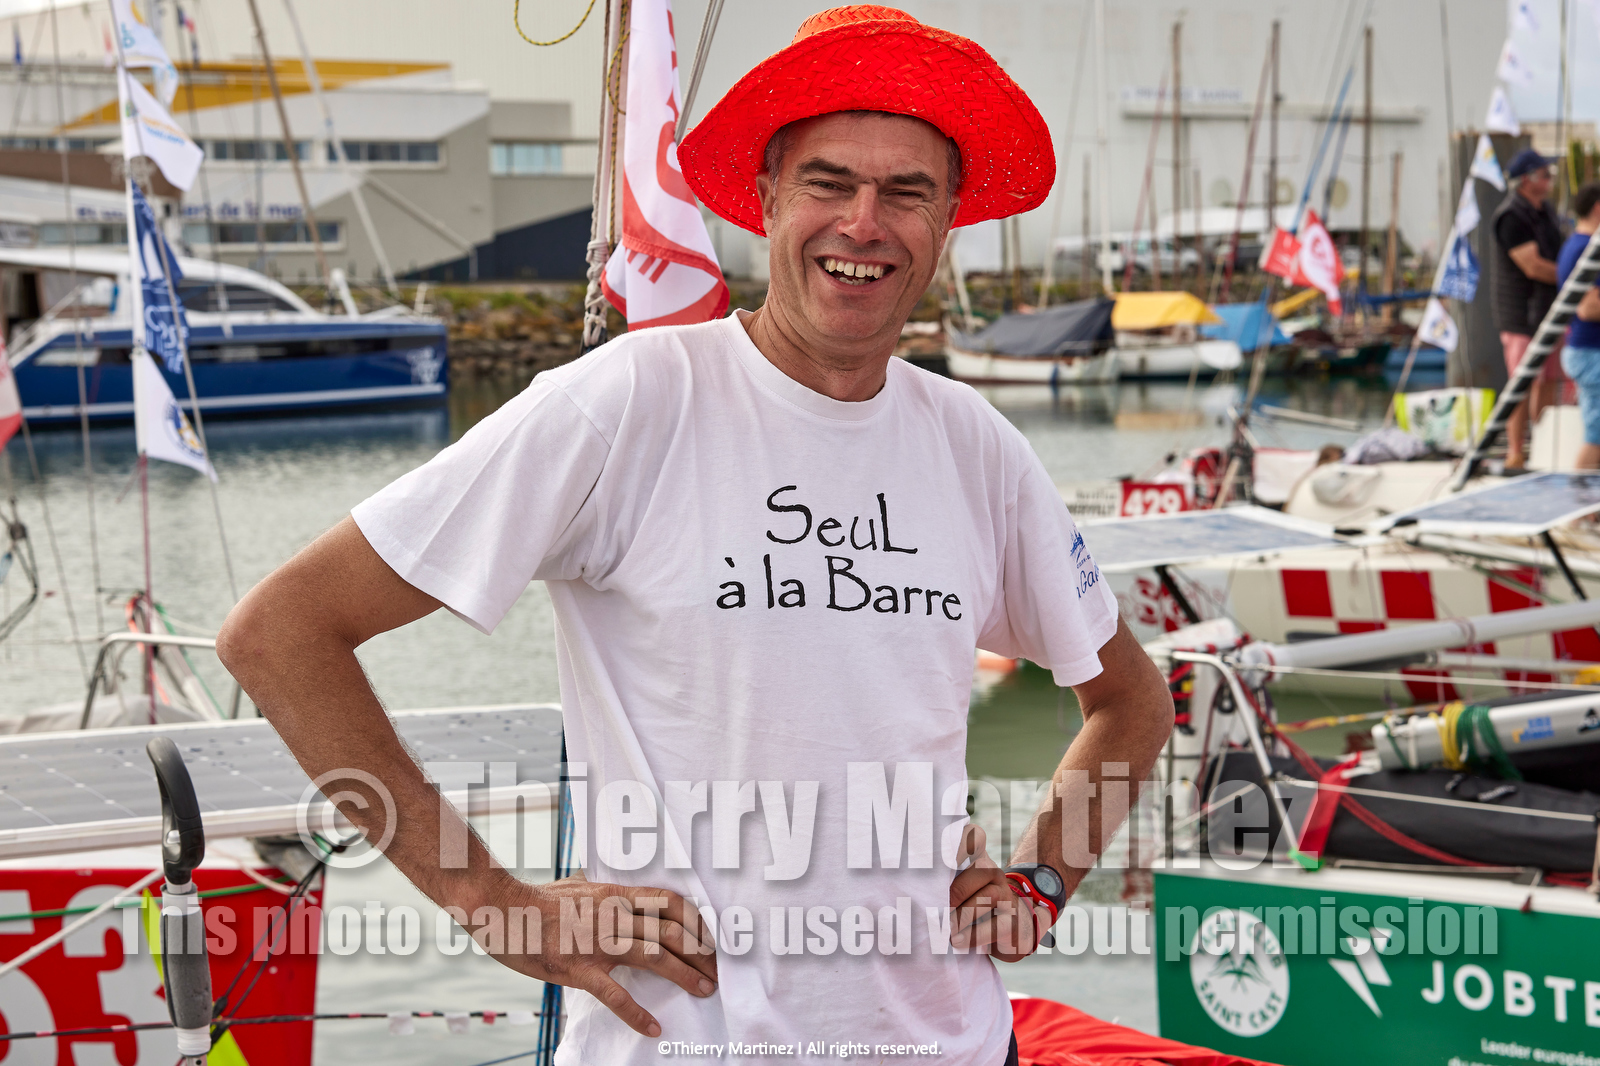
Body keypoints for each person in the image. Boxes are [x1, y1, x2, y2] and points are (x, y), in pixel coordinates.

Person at [217, 7, 1173, 1065]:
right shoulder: (630, 403)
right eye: (826, 182)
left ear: (946, 221)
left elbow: (1130, 700)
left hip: (950, 1041)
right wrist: (494, 902)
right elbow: (282, 631)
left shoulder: (974, 446)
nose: (863, 222)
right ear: (766, 197)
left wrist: (1041, 877)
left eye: (906, 192)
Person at [1492, 147, 1567, 472]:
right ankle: (1515, 452)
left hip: (1549, 311)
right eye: (1544, 174)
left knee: (1549, 380)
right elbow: (1533, 266)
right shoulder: (1511, 216)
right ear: (1527, 180)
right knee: (1521, 384)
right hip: (1520, 314)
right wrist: (1572, 277)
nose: (1550, 179)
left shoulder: (1545, 210)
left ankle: (1542, 446)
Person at [1558, 181, 1600, 470]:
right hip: (1590, 353)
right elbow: (1588, 308)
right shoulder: (1586, 249)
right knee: (1596, 435)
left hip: (1584, 350)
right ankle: (1581, 510)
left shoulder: (1574, 245)